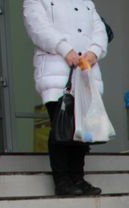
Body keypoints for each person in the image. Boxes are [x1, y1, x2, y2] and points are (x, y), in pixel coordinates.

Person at [23, 0, 107, 197]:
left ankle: (78, 177)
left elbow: (99, 28)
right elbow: (37, 26)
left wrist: (94, 51)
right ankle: (62, 180)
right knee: (62, 126)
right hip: (57, 72)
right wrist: (64, 48)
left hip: (86, 73)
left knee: (82, 129)